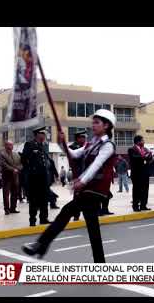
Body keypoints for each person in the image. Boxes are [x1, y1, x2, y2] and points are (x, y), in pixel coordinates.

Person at [22, 109, 117, 262]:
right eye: (93, 122)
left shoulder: (108, 145)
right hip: (87, 190)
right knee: (93, 230)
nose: (93, 125)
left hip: (95, 191)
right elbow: (73, 154)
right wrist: (62, 142)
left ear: (106, 126)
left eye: (97, 122)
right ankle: (100, 265)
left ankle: (41, 245)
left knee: (67, 211)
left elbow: (96, 165)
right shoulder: (90, 144)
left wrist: (82, 181)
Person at [21, 127, 51, 226]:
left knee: (44, 197)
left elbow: (46, 160)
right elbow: (24, 160)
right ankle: (32, 220)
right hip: (34, 177)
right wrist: (30, 170)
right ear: (37, 134)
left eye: (45, 134)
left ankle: (43, 218)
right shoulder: (29, 144)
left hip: (44, 176)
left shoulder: (45, 145)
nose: (44, 135)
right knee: (33, 199)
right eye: (42, 133)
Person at [128, 135, 154, 212]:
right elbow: (136, 158)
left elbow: (150, 158)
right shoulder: (132, 149)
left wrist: (147, 157)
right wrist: (145, 156)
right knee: (136, 190)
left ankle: (143, 205)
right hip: (136, 173)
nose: (144, 142)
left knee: (145, 189)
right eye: (142, 140)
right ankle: (135, 206)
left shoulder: (145, 149)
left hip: (145, 173)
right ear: (138, 141)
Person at [0, 140, 22, 215]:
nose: (10, 146)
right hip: (6, 177)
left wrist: (18, 169)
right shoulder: (2, 154)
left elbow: (21, 163)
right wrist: (13, 169)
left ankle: (13, 208)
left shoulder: (16, 154)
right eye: (8, 145)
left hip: (15, 176)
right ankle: (7, 209)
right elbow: (4, 165)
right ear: (5, 146)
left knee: (15, 193)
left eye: (11, 145)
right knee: (6, 194)